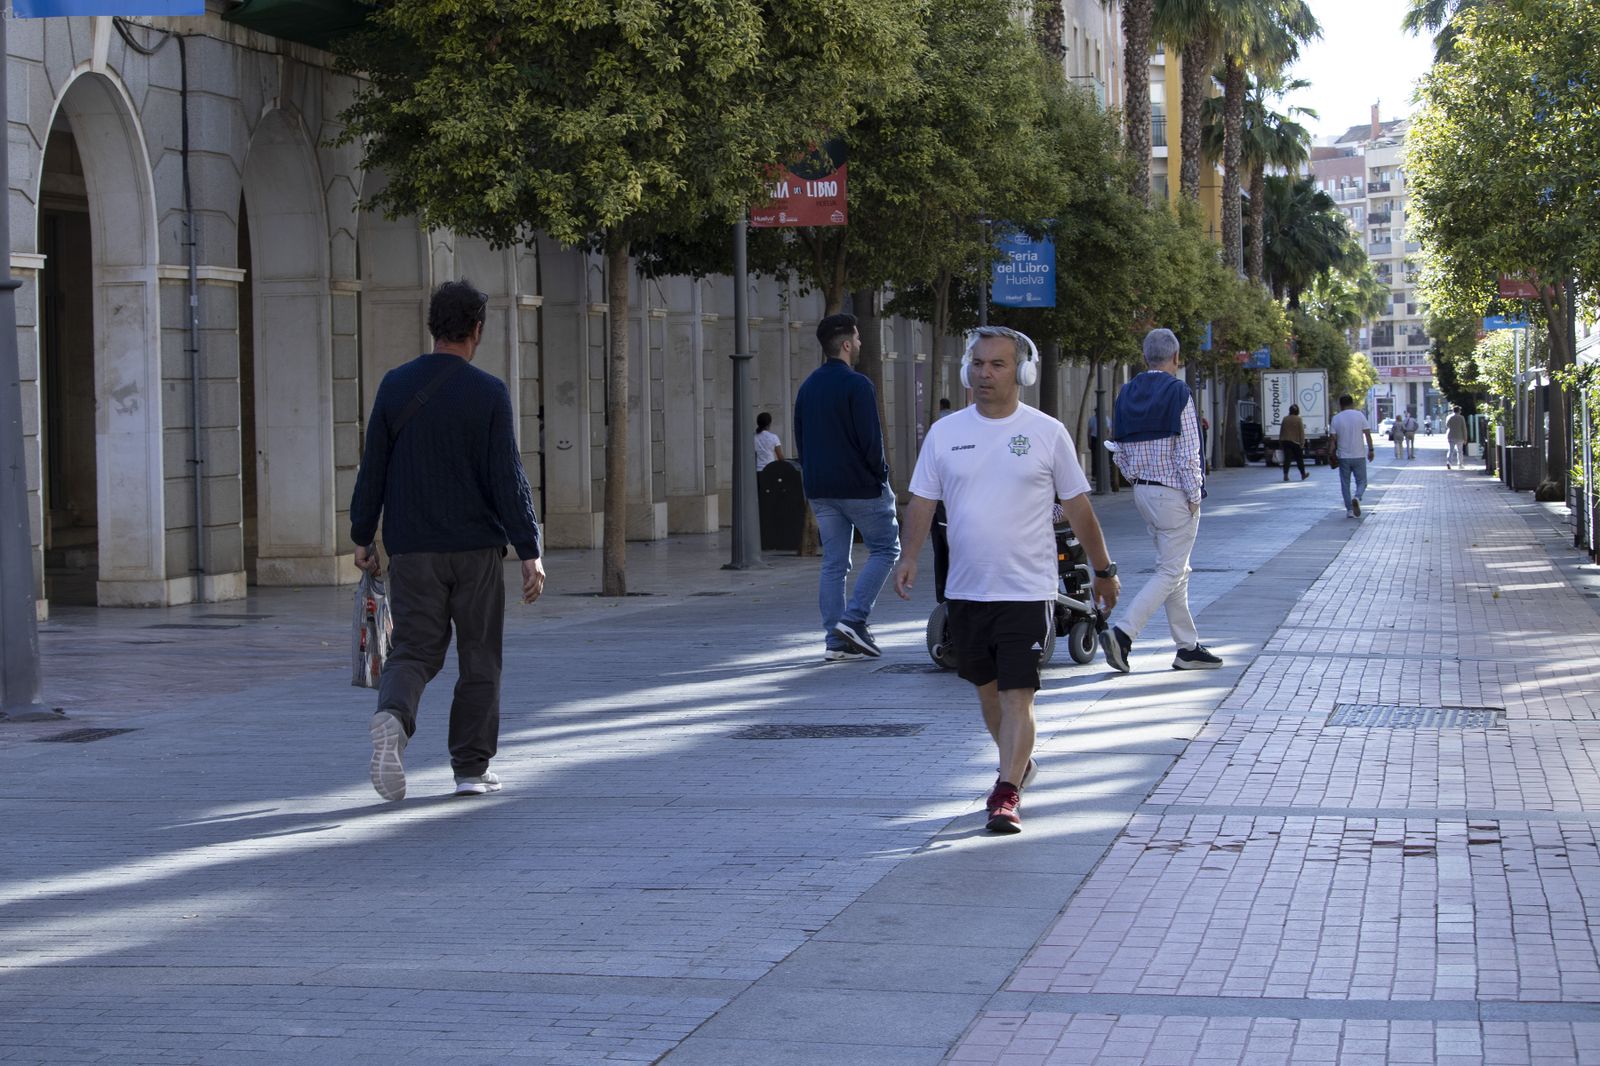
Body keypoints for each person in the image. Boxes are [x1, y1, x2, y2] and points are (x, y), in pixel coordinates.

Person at [892, 326, 1119, 835]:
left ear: (1022, 373)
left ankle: (1005, 791)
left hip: (1027, 588)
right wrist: (908, 557)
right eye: (977, 364)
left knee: (1019, 693)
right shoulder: (945, 433)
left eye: (997, 365)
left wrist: (1103, 570)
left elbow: (1079, 507)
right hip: (966, 591)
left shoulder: (1046, 432)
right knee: (989, 694)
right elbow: (923, 501)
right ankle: (1018, 767)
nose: (984, 374)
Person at [350, 280, 546, 802]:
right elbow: (508, 477)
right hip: (476, 549)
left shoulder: (395, 386)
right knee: (480, 656)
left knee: (414, 648)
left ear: (432, 327)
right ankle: (470, 769)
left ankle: (393, 717)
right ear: (477, 330)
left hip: (413, 548)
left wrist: (362, 535)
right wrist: (530, 550)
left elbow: (374, 468)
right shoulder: (489, 393)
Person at [1098, 328, 1221, 675]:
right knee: (1170, 570)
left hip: (1143, 492)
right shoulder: (1179, 392)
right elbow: (1188, 453)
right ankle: (1123, 633)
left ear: (1145, 357)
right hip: (1174, 495)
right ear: (1176, 358)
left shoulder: (1127, 393)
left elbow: (1116, 449)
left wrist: (1134, 478)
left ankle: (1188, 647)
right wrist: (1195, 496)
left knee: (1175, 570)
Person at [794, 313, 901, 662]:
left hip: (820, 489)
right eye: (855, 338)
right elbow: (872, 440)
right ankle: (854, 620)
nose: (859, 343)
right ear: (844, 344)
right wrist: (881, 476)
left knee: (834, 564)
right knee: (886, 548)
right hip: (860, 487)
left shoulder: (807, 387)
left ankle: (835, 641)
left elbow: (801, 439)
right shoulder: (858, 386)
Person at [1327, 394, 1375, 517]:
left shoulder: (1336, 418)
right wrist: (1371, 450)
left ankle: (1349, 510)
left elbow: (1333, 439)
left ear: (1340, 404)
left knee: (1345, 483)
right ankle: (1357, 498)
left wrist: (1331, 453)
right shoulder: (1359, 415)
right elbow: (1367, 434)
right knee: (1362, 482)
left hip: (1343, 457)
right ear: (1352, 403)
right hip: (1359, 455)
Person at [1279, 404, 1308, 481]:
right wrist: (1302, 442)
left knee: (1287, 459)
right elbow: (1301, 432)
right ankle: (1303, 474)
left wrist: (1281, 441)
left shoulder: (1285, 419)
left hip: (1286, 441)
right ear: (1297, 411)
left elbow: (1282, 430)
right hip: (1296, 442)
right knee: (1299, 459)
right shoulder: (1298, 419)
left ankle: (1285, 475)